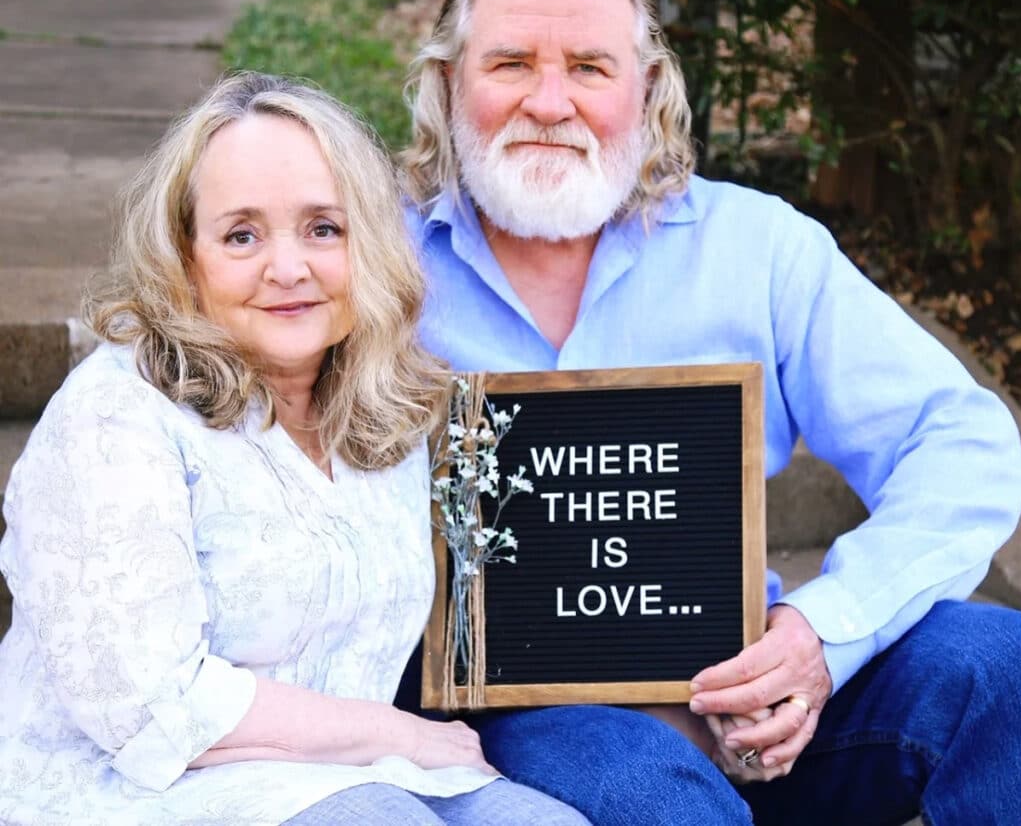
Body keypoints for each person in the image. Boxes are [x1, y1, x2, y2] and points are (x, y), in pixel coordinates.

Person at [400, 0, 1021, 825]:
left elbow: (958, 439)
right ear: (450, 80)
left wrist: (822, 632)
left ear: (647, 85)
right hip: (522, 718)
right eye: (509, 64)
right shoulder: (376, 263)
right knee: (647, 789)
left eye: (588, 66)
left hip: (753, 698)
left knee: (999, 670)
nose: (548, 100)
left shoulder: (758, 248)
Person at [0, 72, 592, 826]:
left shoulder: (380, 410)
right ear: (186, 258)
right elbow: (151, 706)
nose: (288, 269)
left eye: (323, 228)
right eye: (241, 234)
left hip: (359, 778)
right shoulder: (115, 417)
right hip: (126, 790)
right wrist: (403, 733)